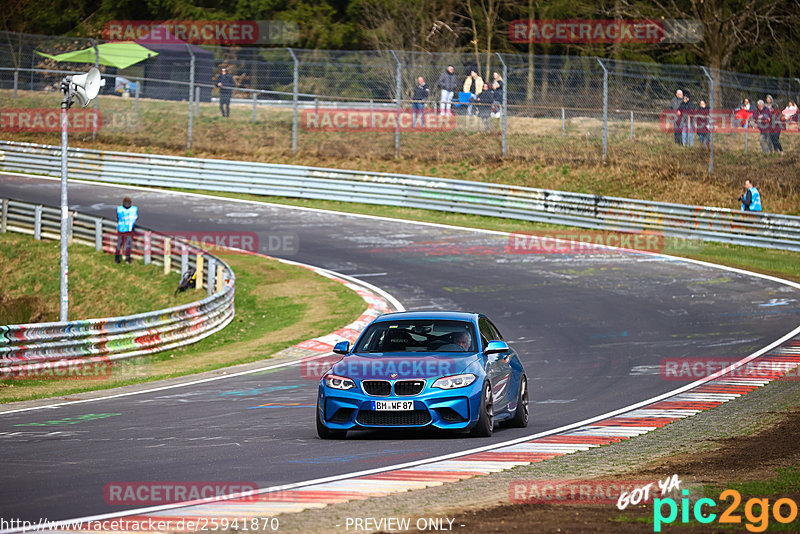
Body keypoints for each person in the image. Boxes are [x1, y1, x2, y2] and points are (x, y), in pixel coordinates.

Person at [115, 197, 138, 264]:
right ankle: (127, 259)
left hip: (121, 228)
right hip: (129, 229)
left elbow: (117, 218)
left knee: (119, 244)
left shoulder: (119, 209)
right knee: (128, 244)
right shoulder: (134, 209)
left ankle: (116, 259)